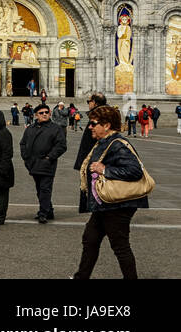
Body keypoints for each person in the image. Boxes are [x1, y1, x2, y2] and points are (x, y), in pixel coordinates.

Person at [74, 105, 149, 280]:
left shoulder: (117, 144)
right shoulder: (104, 142)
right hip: (105, 203)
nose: (90, 127)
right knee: (90, 239)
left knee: (120, 245)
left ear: (106, 125)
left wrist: (105, 169)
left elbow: (134, 170)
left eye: (93, 124)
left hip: (118, 204)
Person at [19, 102, 66, 223]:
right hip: (33, 163)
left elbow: (61, 145)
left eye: (47, 112)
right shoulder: (30, 128)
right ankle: (49, 210)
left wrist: (49, 157)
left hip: (47, 163)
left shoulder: (55, 128)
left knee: (45, 189)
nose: (45, 114)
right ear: (36, 115)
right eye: (41, 113)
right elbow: (23, 143)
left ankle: (43, 213)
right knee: (40, 189)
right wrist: (25, 157)